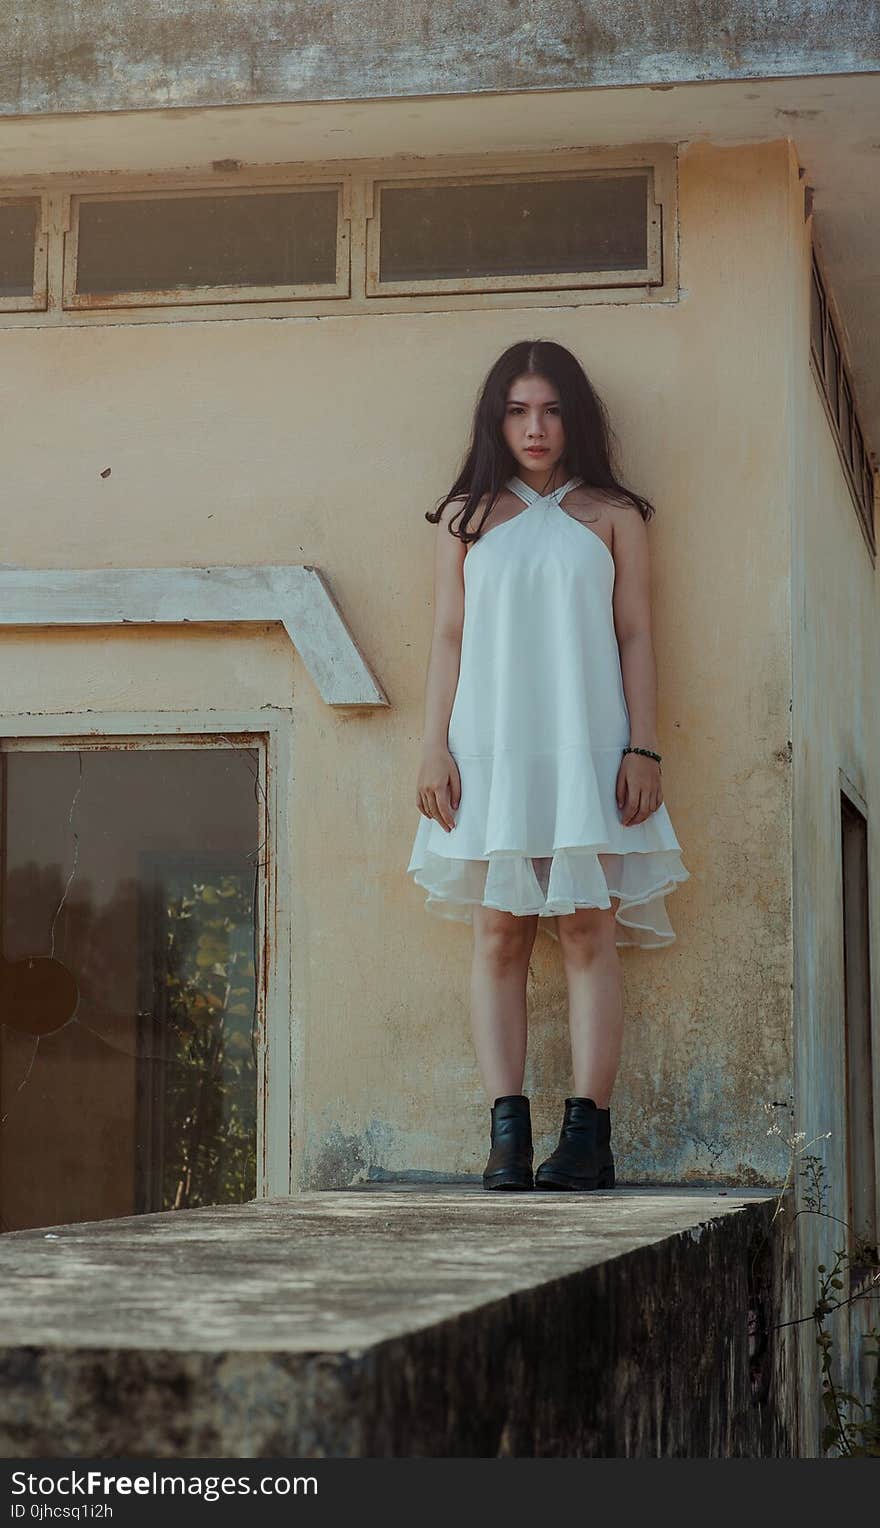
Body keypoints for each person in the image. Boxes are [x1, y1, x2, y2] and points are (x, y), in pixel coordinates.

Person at [406, 339, 690, 1193]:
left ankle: (587, 1138)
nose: (537, 426)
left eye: (553, 409)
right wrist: (432, 744)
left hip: (588, 745)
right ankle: (507, 1137)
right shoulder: (465, 517)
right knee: (498, 932)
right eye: (521, 409)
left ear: (577, 418)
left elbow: (636, 632)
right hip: (490, 745)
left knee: (586, 928)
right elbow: (449, 636)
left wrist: (644, 745)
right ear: (498, 417)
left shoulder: (613, 514)